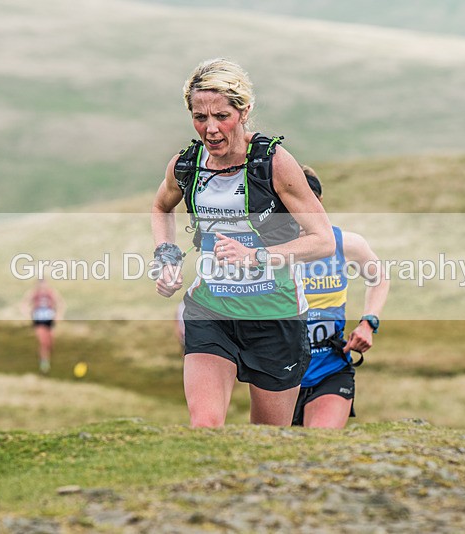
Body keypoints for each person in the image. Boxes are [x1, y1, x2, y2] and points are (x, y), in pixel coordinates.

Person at [151, 58, 335, 428]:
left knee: (268, 441)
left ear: (244, 110)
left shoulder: (274, 163)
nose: (211, 128)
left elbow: (323, 241)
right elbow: (160, 206)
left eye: (222, 116)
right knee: (205, 426)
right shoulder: (186, 165)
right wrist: (167, 257)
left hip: (275, 317)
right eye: (200, 117)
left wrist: (257, 256)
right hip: (211, 311)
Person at [292, 166, 390, 428]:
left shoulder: (346, 244)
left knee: (321, 446)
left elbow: (380, 278)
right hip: (278, 376)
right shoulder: (265, 250)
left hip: (331, 370)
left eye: (307, 202)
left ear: (319, 202)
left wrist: (368, 323)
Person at [23, 278, 65, 374]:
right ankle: (44, 363)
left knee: (50, 341)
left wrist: (58, 315)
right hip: (39, 319)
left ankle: (47, 356)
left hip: (49, 319)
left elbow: (60, 302)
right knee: (43, 341)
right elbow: (24, 303)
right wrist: (28, 314)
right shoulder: (34, 293)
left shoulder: (51, 292)